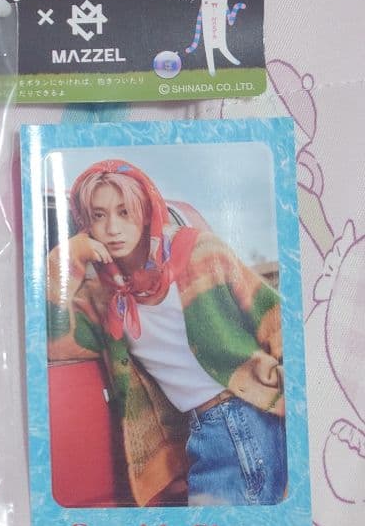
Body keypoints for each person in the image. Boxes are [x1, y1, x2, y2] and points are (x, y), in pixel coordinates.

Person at [46, 159, 285, 507]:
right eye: (98, 215)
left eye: (125, 212)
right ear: (86, 224)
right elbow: (51, 340)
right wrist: (66, 258)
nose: (112, 228)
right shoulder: (104, 297)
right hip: (201, 430)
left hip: (243, 419)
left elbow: (276, 320)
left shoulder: (200, 252)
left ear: (146, 213)